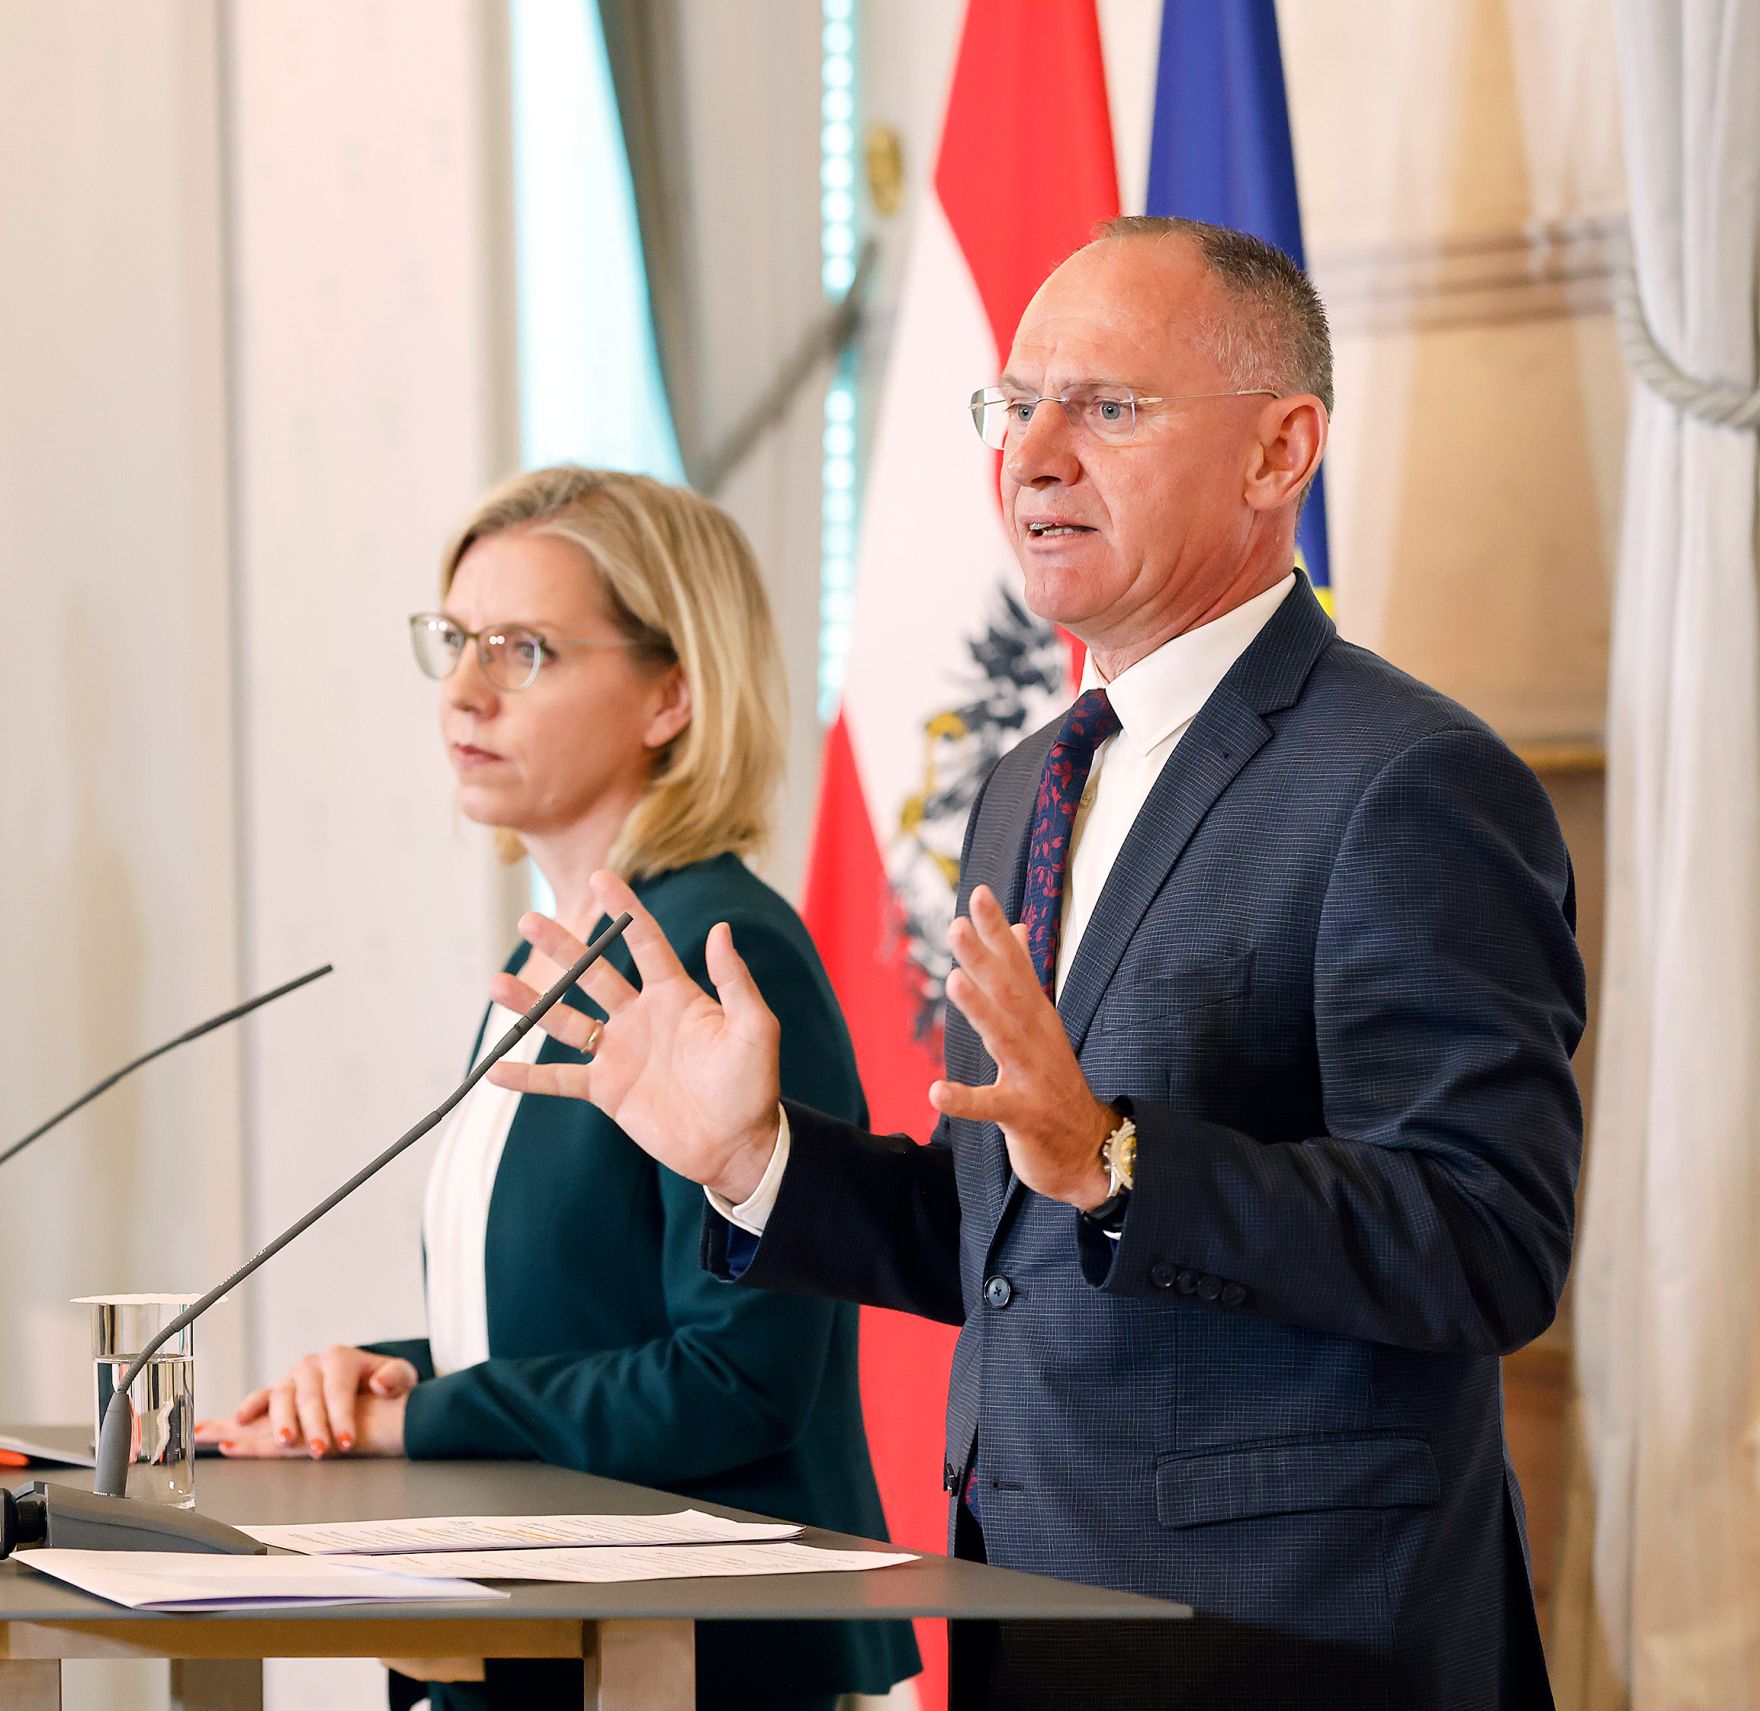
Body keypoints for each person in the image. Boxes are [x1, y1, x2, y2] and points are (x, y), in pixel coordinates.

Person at [486, 221, 1588, 1711]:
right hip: (1026, 1607)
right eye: (1014, 405)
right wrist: (755, 1160)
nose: (1035, 454)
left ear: (1281, 453)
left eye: (1108, 407)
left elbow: (1488, 1237)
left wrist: (1122, 1157)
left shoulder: (1406, 782)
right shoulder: (1028, 783)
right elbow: (1002, 1229)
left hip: (1297, 1639)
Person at [196, 466, 918, 1711]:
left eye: (523, 649)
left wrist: (419, 1423)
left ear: (670, 693)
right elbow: (575, 1320)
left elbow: (735, 1378)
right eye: (457, 641)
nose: (464, 691)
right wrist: (388, 1376)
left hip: (700, 1659)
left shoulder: (713, 956)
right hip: (534, 1632)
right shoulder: (561, 951)